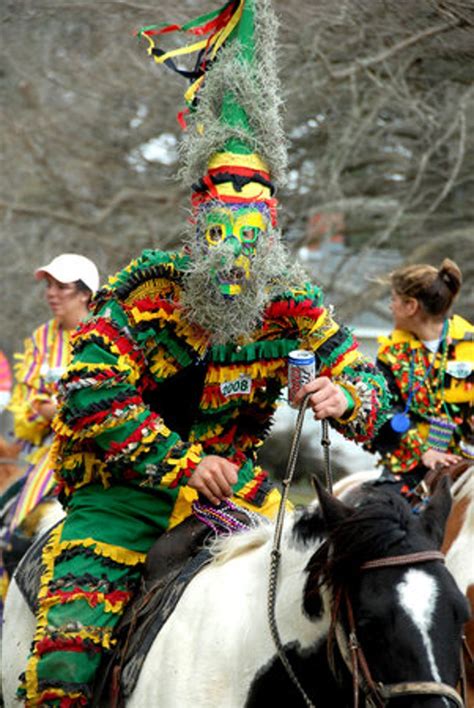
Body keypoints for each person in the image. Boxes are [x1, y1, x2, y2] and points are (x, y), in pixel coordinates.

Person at [19, 2, 391, 705]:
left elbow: (365, 383)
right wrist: (189, 463)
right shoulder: (145, 295)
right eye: (222, 234)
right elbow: (92, 394)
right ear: (198, 222)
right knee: (65, 668)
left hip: (240, 503)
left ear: (272, 231)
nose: (236, 260)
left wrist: (352, 399)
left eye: (251, 240)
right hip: (121, 500)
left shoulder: (295, 304)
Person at [0, 254, 99, 606]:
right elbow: (24, 408)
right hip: (42, 454)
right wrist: (41, 413)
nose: (51, 294)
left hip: (95, 455)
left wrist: (64, 409)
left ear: (85, 294)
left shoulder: (103, 335)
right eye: (49, 286)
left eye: (62, 287)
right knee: (9, 532)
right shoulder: (40, 339)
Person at [368, 258, 473, 495]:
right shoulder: (391, 353)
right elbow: (384, 408)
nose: (390, 306)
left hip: (467, 463)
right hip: (409, 467)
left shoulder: (470, 345)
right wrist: (424, 451)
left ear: (410, 306)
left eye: (393, 299)